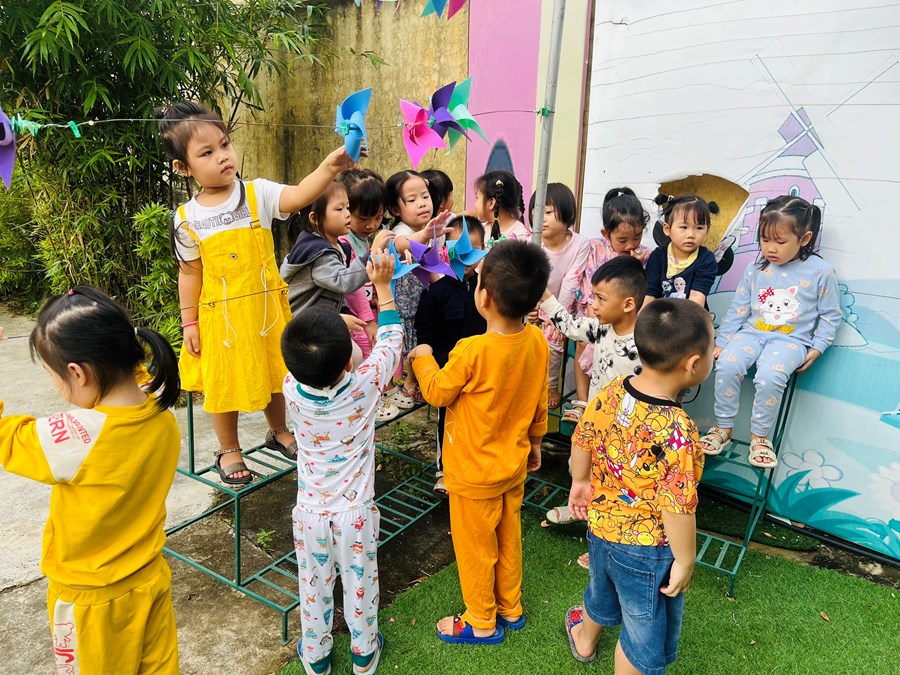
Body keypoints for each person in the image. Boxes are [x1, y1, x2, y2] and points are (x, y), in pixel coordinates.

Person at [157, 100, 356, 485]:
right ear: (183, 168)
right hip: (221, 320)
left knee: (275, 370)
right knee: (223, 382)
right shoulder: (185, 219)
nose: (222, 156)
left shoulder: (256, 194)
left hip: (266, 310)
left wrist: (330, 168)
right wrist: (189, 323)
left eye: (225, 144)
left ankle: (279, 430)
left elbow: (299, 194)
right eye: (207, 153)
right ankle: (228, 448)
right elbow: (189, 274)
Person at [0, 286, 182, 673]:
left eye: (53, 376)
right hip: (149, 576)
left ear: (77, 373)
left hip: (88, 601)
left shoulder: (74, 437)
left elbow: (6, 439)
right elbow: (133, 378)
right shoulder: (161, 417)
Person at [409, 239, 551, 645]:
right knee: (508, 538)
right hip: (514, 464)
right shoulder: (537, 341)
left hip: (472, 474)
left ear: (483, 297)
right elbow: (539, 397)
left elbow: (437, 392)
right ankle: (510, 607)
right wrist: (536, 442)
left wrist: (422, 357)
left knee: (476, 549)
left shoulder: (471, 350)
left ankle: (482, 620)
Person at [564, 298, 714, 674]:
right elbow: (677, 507)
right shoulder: (679, 432)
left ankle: (584, 639)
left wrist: (579, 481)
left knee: (601, 588)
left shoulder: (614, 389)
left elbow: (582, 436)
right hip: (646, 550)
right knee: (640, 632)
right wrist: (686, 560)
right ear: (693, 364)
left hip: (601, 527)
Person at [282, 249, 399, 675]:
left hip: (310, 514)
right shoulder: (364, 387)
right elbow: (390, 341)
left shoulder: (291, 388)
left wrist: (334, 331)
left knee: (313, 588)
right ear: (350, 360)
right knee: (360, 582)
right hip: (355, 515)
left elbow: (309, 356)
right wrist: (383, 288)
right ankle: (363, 653)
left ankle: (316, 657)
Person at [700, 195, 842, 468]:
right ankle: (724, 428)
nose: (770, 248)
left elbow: (830, 315)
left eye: (780, 241)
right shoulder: (756, 268)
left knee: (769, 377)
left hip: (791, 340)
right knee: (727, 364)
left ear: (804, 238)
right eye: (764, 240)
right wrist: (724, 341)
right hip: (752, 334)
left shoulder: (822, 272)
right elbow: (739, 308)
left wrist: (817, 348)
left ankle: (760, 438)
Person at [538, 256, 648, 566]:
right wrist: (544, 295)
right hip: (595, 423)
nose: (593, 304)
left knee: (616, 487)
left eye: (600, 298)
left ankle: (604, 544)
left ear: (628, 304)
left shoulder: (646, 343)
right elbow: (569, 325)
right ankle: (582, 509)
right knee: (580, 469)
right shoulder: (601, 329)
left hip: (626, 431)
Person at [413, 216, 488, 494]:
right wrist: (427, 368)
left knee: (479, 421)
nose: (466, 255)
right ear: (446, 250)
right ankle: (444, 470)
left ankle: (474, 465)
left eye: (473, 248)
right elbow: (424, 331)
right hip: (448, 371)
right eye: (458, 247)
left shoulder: (487, 289)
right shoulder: (437, 290)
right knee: (447, 421)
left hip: (481, 370)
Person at [574, 188, 653, 420]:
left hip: (625, 322)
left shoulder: (645, 256)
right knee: (583, 344)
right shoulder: (595, 248)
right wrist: (593, 311)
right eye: (622, 240)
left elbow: (642, 291)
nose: (631, 245)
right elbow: (588, 283)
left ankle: (620, 403)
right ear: (605, 234)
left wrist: (637, 265)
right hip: (595, 313)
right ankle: (582, 402)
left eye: (637, 237)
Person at [383, 170, 450, 409]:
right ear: (395, 209)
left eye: (425, 196)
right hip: (406, 304)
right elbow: (402, 244)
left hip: (426, 300)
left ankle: (418, 379)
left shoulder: (433, 227)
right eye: (412, 200)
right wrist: (424, 235)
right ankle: (403, 385)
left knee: (423, 338)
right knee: (406, 345)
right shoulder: (401, 230)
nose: (422, 203)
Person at [280, 181, 390, 314]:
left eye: (348, 207)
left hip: (320, 317)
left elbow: (334, 292)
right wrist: (372, 253)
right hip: (304, 323)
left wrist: (343, 312)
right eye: (339, 209)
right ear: (315, 218)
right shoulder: (319, 253)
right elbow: (344, 282)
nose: (348, 214)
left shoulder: (337, 247)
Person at [529, 183, 591, 409]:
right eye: (537, 212)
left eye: (547, 212)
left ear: (567, 213)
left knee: (553, 339)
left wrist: (555, 316)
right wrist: (532, 308)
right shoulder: (531, 242)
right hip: (533, 303)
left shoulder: (580, 244)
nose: (541, 218)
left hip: (565, 308)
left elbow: (571, 281)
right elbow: (527, 279)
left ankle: (551, 385)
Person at [644, 194, 719, 308]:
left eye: (699, 228)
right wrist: (641, 318)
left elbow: (696, 298)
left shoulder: (706, 260)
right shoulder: (658, 256)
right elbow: (650, 295)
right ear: (667, 229)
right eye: (684, 227)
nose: (691, 235)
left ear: (707, 231)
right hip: (659, 316)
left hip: (692, 315)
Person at [473, 170, 530, 246]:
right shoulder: (478, 232)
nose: (475, 204)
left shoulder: (523, 237)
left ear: (491, 203)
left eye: (477, 198)